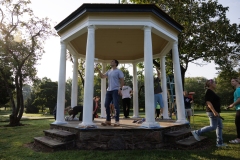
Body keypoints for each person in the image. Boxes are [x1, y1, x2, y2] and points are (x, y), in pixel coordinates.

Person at [191, 79, 227, 147]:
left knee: (219, 127)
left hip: (216, 112)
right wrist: (214, 111)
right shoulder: (209, 92)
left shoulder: (212, 92)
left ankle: (220, 143)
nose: (215, 84)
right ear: (211, 84)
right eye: (214, 83)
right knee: (213, 127)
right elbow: (208, 102)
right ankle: (197, 132)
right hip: (212, 112)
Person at [96, 59, 124, 127]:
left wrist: (120, 89)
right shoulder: (109, 71)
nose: (111, 62)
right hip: (109, 90)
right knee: (106, 105)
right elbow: (102, 76)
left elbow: (122, 80)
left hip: (115, 90)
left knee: (116, 106)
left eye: (112, 61)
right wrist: (98, 70)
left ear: (116, 63)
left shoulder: (119, 71)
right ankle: (108, 120)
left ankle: (117, 121)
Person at [227, 77, 240, 144]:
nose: (231, 82)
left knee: (238, 123)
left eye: (233, 81)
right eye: (231, 81)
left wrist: (233, 104)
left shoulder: (238, 90)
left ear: (237, 82)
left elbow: (239, 99)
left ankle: (238, 139)